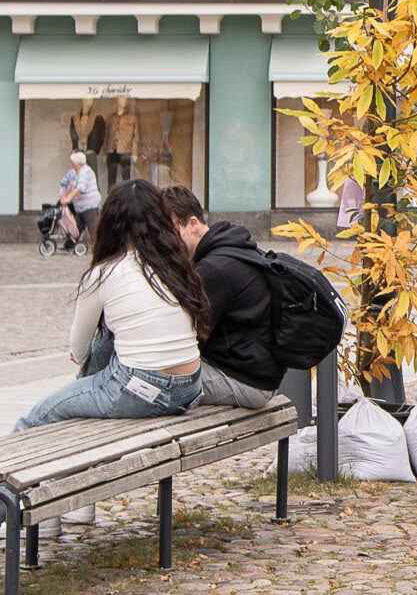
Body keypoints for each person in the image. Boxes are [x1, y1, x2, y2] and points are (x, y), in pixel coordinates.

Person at [12, 181, 206, 431]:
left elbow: (79, 351)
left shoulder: (103, 274)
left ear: (109, 223)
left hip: (139, 390)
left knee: (32, 420)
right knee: (108, 341)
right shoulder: (176, 266)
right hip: (190, 387)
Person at [163, 187, 287, 408]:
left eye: (170, 232)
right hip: (256, 373)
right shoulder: (228, 248)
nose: (165, 243)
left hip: (246, 382)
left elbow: (187, 337)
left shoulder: (213, 269)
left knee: (150, 380)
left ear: (193, 224)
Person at [54, 150, 101, 245]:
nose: (72, 165)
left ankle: (98, 248)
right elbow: (72, 185)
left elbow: (80, 188)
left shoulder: (84, 172)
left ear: (78, 164)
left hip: (89, 206)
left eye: (73, 163)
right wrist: (65, 197)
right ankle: (69, 244)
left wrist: (68, 199)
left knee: (92, 228)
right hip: (81, 207)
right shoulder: (77, 172)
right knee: (77, 227)